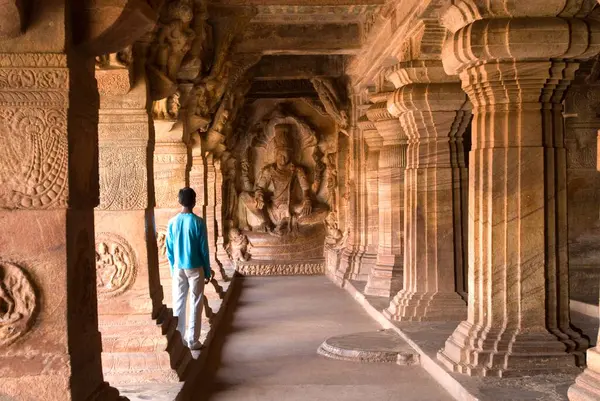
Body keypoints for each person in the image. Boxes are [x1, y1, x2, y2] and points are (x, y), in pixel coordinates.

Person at [166, 187, 212, 350]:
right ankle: (192, 340)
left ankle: (179, 339)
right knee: (196, 302)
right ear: (194, 202)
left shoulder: (172, 222)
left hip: (178, 267)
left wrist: (173, 269)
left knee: (178, 302)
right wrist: (207, 271)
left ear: (179, 201)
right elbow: (204, 250)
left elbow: (169, 250)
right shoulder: (198, 222)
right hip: (195, 267)